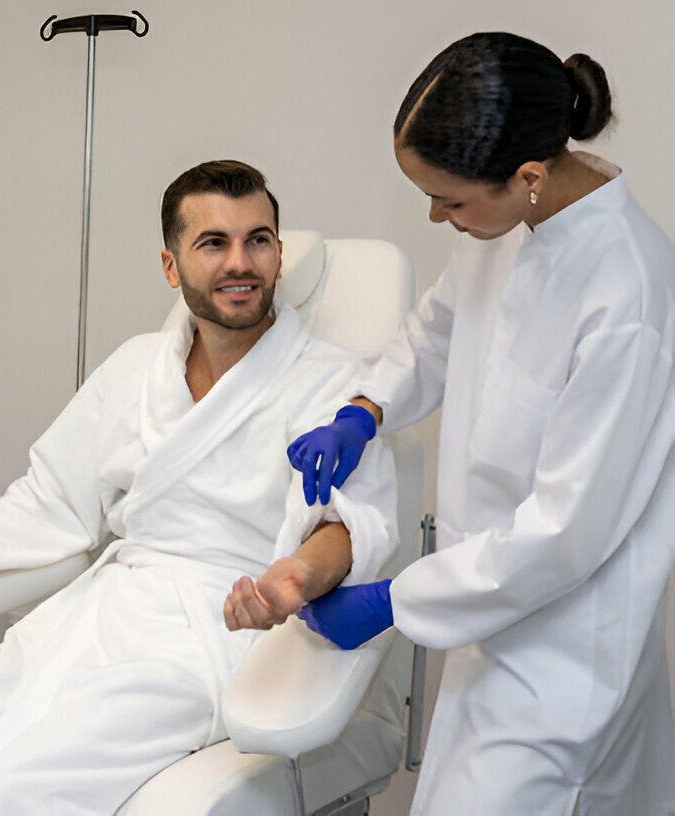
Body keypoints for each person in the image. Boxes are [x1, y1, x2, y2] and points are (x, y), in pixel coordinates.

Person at [0, 160, 398, 815]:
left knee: (13, 794)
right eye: (213, 243)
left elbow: (349, 526)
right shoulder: (138, 367)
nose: (241, 262)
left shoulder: (335, 385)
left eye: (258, 240)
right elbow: (48, 500)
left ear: (279, 255)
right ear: (171, 267)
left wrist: (293, 580)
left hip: (211, 634)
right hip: (98, 615)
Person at [285, 33, 675, 815]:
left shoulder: (625, 294)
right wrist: (363, 412)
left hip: (564, 654)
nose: (436, 215)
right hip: (486, 618)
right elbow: (434, 331)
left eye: (450, 199)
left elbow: (564, 533)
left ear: (528, 177)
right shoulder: (509, 225)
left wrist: (392, 601)